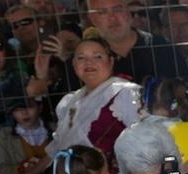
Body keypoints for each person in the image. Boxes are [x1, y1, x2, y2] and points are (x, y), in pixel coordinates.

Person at [47, 35, 145, 165]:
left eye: (97, 56)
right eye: (81, 58)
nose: (88, 62)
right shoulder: (69, 102)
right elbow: (57, 148)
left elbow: (145, 140)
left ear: (111, 62)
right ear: (74, 64)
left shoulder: (126, 93)